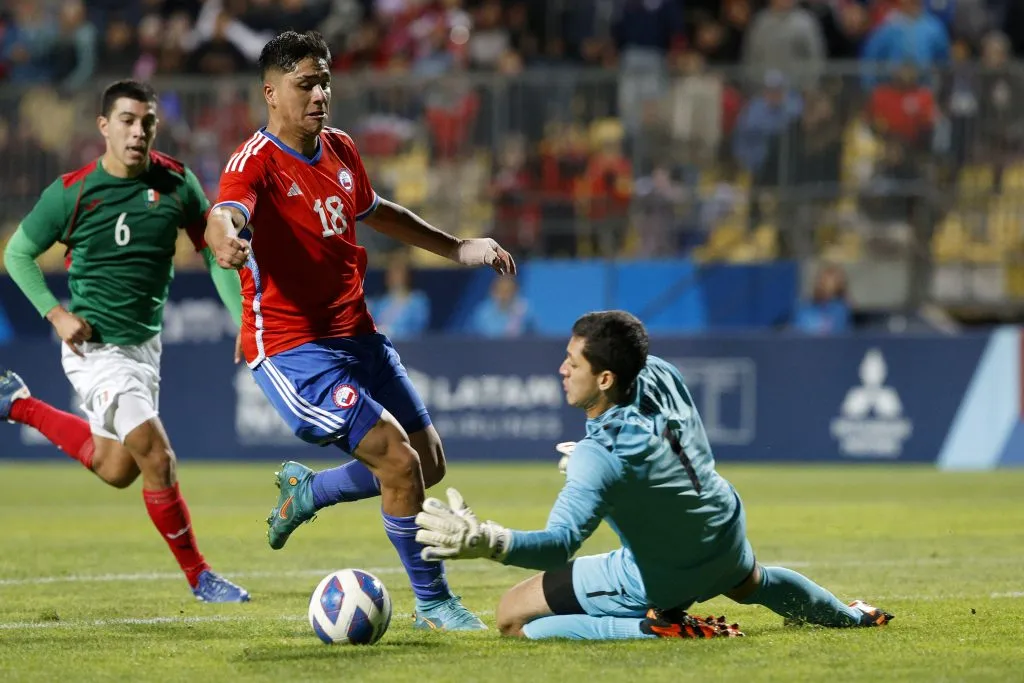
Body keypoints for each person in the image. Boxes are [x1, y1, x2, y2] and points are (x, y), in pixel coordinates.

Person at [203, 30, 515, 631]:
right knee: (399, 464)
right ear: (271, 92)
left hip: (359, 335)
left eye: (324, 81)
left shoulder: (342, 148)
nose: (320, 93)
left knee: (429, 462)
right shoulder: (255, 163)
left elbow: (376, 211)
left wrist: (457, 247)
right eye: (305, 84)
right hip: (295, 350)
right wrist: (225, 243)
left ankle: (312, 494)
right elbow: (226, 214)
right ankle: (435, 604)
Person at [414, 310, 893, 640]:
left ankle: (654, 625)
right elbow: (651, 458)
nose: (561, 368)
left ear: (605, 378)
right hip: (726, 535)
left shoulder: (599, 456)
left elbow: (559, 544)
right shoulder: (659, 371)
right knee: (754, 583)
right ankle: (853, 618)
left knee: (512, 617)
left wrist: (487, 541)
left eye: (573, 362)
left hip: (663, 577)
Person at [0, 79, 249, 603]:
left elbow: (213, 249)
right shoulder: (72, 192)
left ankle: (18, 405)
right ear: (104, 127)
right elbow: (17, 253)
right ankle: (201, 576)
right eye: (128, 121)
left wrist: (243, 319)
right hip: (95, 348)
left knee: (117, 469)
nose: (138, 132)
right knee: (157, 456)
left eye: (147, 122)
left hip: (144, 349)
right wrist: (56, 314)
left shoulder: (177, 184)